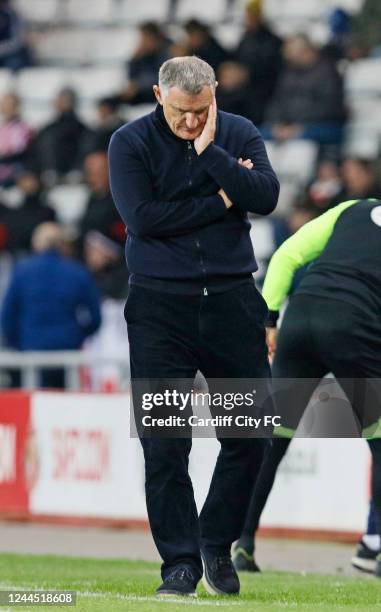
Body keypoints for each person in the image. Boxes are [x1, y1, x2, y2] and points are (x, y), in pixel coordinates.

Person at [108, 56, 279, 597]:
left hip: (232, 302)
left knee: (251, 435)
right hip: (161, 309)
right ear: (159, 95)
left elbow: (267, 197)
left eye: (201, 110)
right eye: (182, 112)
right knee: (165, 443)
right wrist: (225, 197)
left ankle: (214, 541)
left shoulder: (238, 132)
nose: (190, 122)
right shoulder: (129, 143)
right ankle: (178, 564)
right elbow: (144, 220)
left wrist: (212, 155)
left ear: (215, 93)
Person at [232, 198, 381, 579]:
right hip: (355, 325)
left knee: (273, 438)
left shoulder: (354, 208)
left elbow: (286, 255)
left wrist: (269, 316)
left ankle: (239, 542)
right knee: (380, 441)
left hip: (301, 318)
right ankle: (374, 547)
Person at [1, 222, 101, 388]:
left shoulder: (22, 271)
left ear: (36, 244)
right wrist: (77, 336)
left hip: (30, 351)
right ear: (62, 244)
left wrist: (19, 343)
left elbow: (7, 316)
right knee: (67, 406)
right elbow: (95, 317)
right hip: (67, 351)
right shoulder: (77, 272)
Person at [263, 34, 346, 145]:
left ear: (305, 51)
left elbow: (330, 107)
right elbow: (278, 102)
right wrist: (277, 124)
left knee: (302, 135)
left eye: (292, 55)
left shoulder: (328, 72)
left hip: (323, 126)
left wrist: (299, 126)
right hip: (290, 126)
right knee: (257, 134)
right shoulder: (288, 73)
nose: (288, 58)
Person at [235, 0, 282, 126]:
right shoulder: (245, 38)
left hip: (264, 91)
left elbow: (272, 69)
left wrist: (248, 74)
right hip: (245, 90)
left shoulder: (273, 41)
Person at [33, 88, 88, 186]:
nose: (65, 104)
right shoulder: (47, 130)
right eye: (62, 100)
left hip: (75, 169)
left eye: (68, 100)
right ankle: (50, 171)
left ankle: (76, 170)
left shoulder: (83, 129)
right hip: (51, 171)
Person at [78, 151, 126, 251]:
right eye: (91, 172)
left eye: (101, 171)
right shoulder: (91, 200)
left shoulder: (122, 200)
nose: (95, 177)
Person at [0, 92, 33, 187]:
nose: (8, 109)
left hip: (15, 166)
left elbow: (18, 150)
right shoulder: (2, 128)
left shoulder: (24, 128)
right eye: (5, 105)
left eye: (11, 105)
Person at [0, 0, 33, 71]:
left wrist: (2, 49)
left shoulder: (13, 15)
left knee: (14, 64)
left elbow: (18, 41)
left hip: (12, 54)